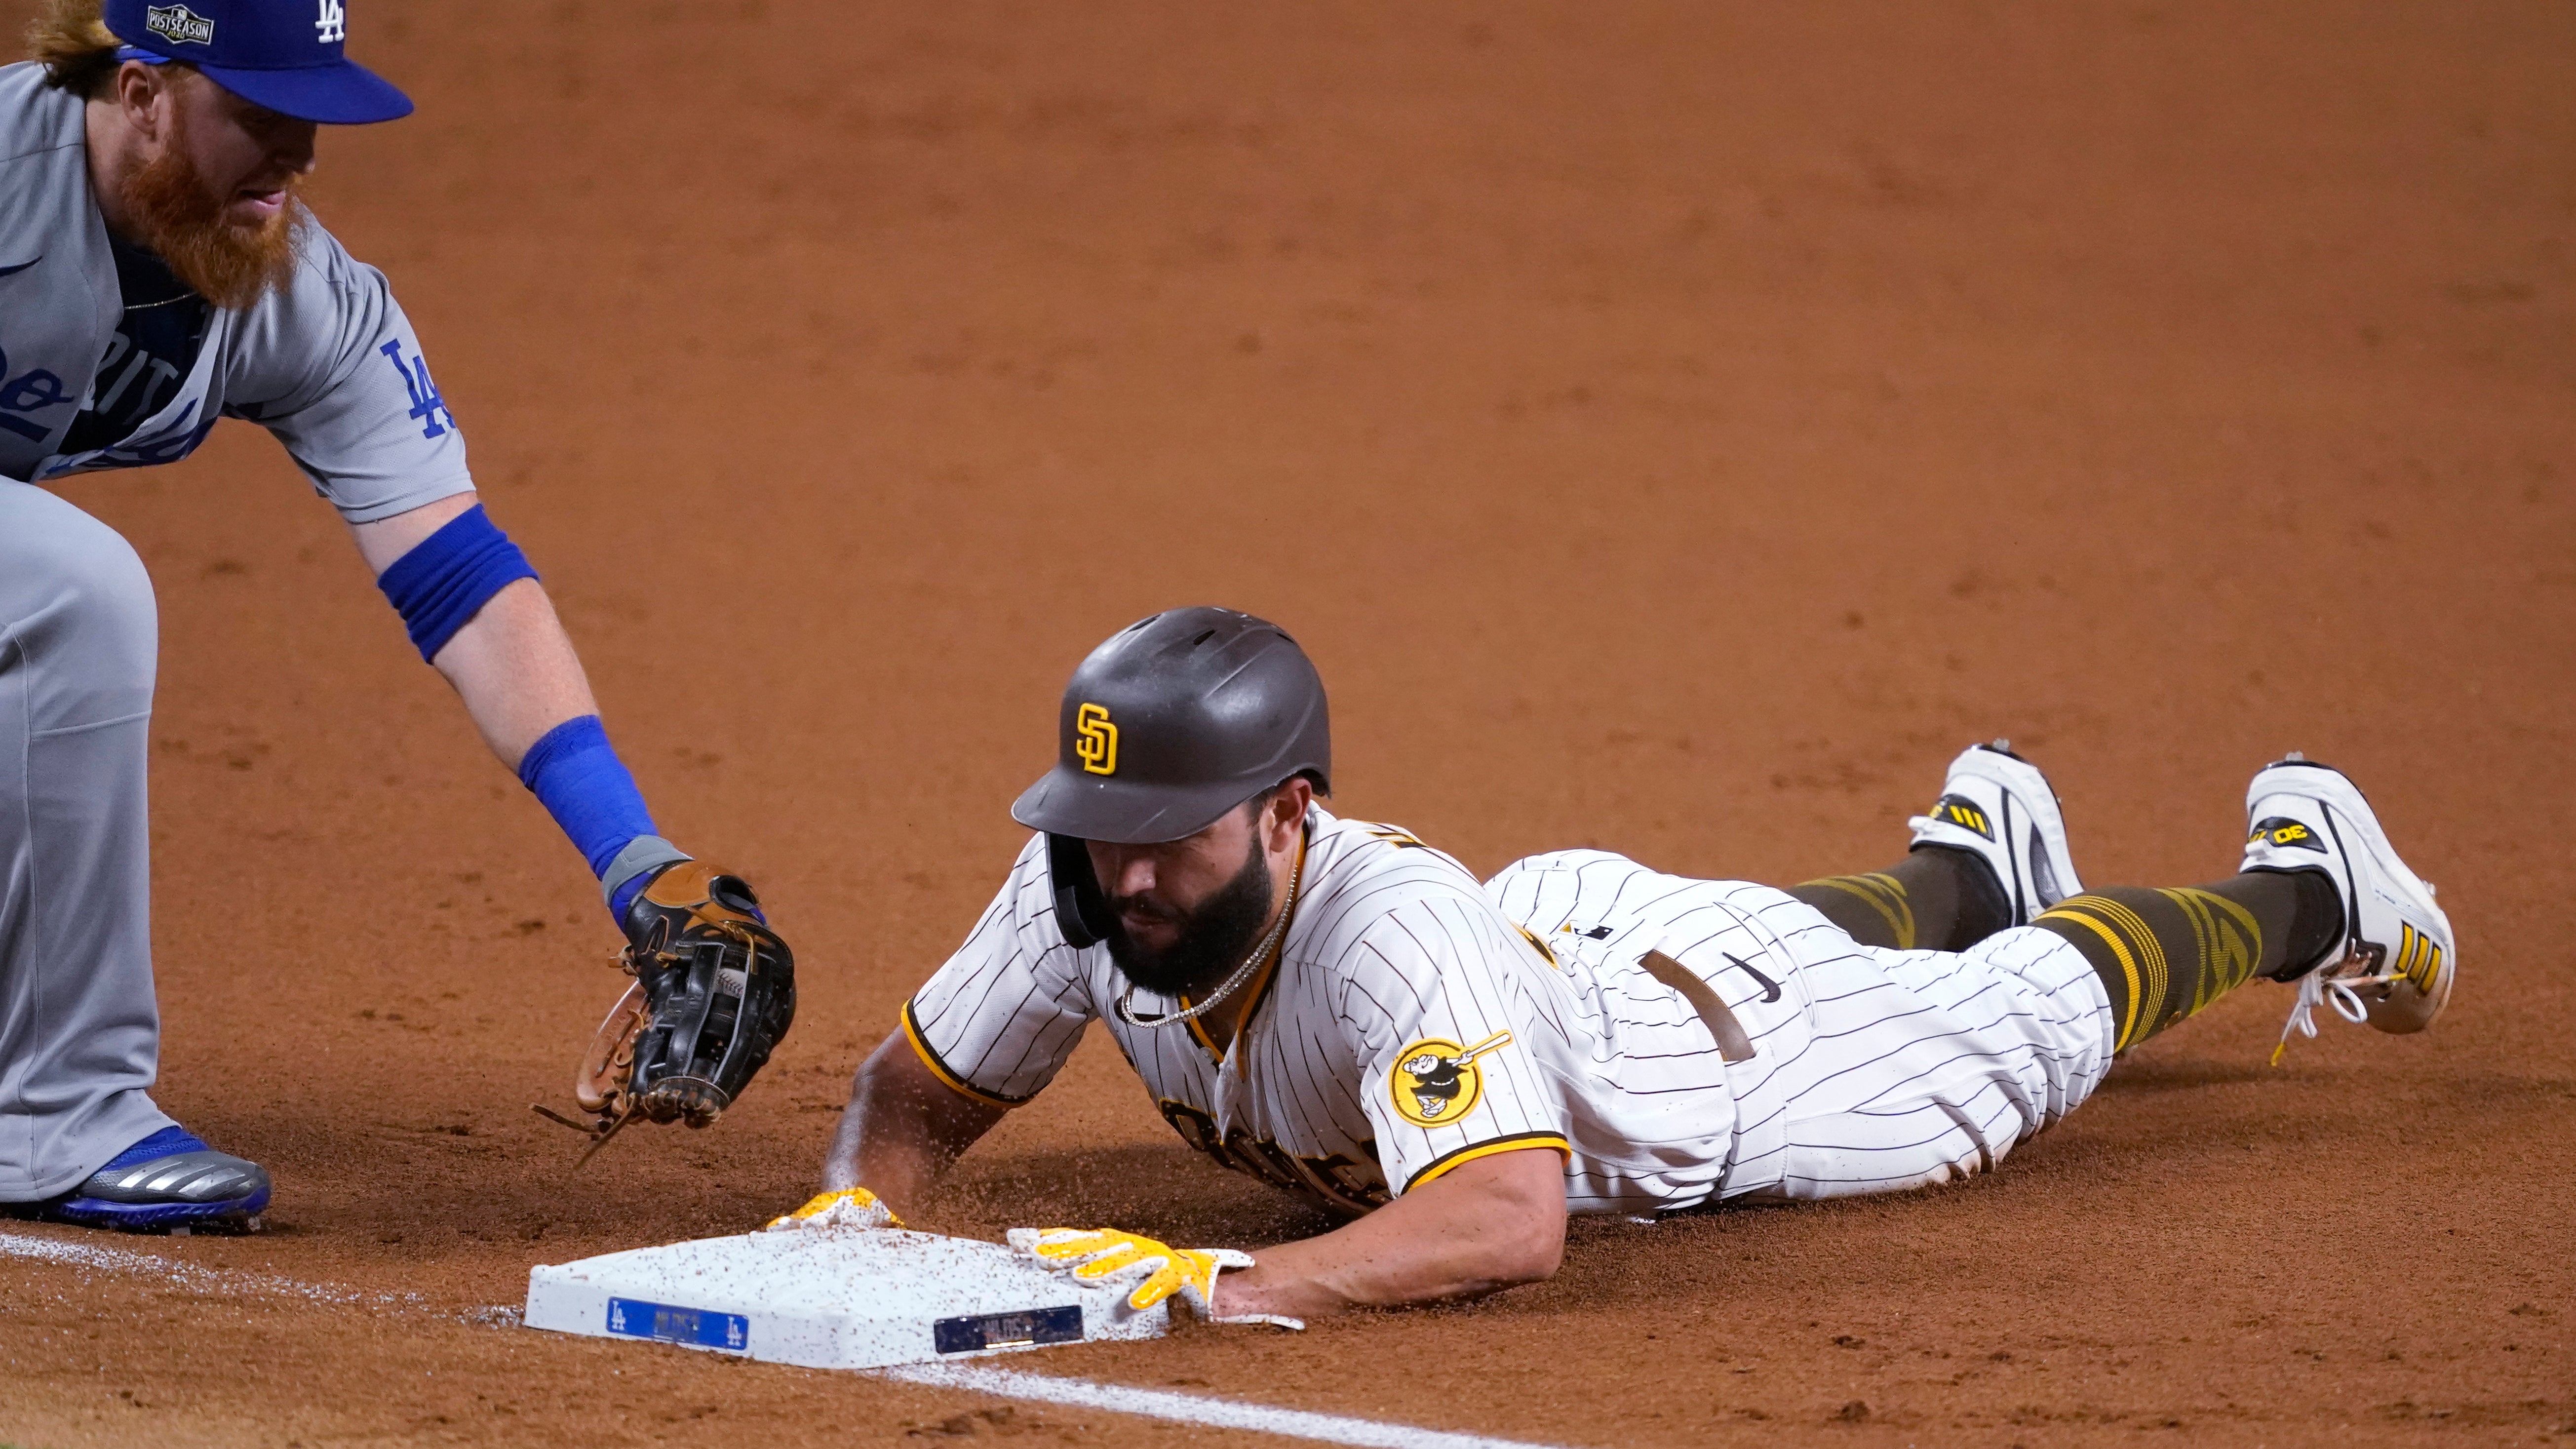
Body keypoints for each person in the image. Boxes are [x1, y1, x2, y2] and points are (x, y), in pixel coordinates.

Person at [780, 606, 2453, 1326]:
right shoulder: (1081, 883)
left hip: (1732, 1076)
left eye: (1172, 833)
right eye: (1097, 826)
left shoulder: (1388, 927)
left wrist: (1229, 1284)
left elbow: (1505, 1218)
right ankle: (1961, 862)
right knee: (1776, 926)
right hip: (1567, 939)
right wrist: (862, 1205)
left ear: (1288, 811)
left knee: (2027, 1015)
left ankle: (2304, 883)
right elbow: (912, 1090)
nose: (1125, 873)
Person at [0, 0, 776, 1234]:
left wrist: (637, 859)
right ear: (142, 92)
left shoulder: (294, 291)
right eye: (258, 115)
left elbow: (460, 579)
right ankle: (59, 1113)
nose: (297, 160)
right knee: (71, 593)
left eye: (313, 121)